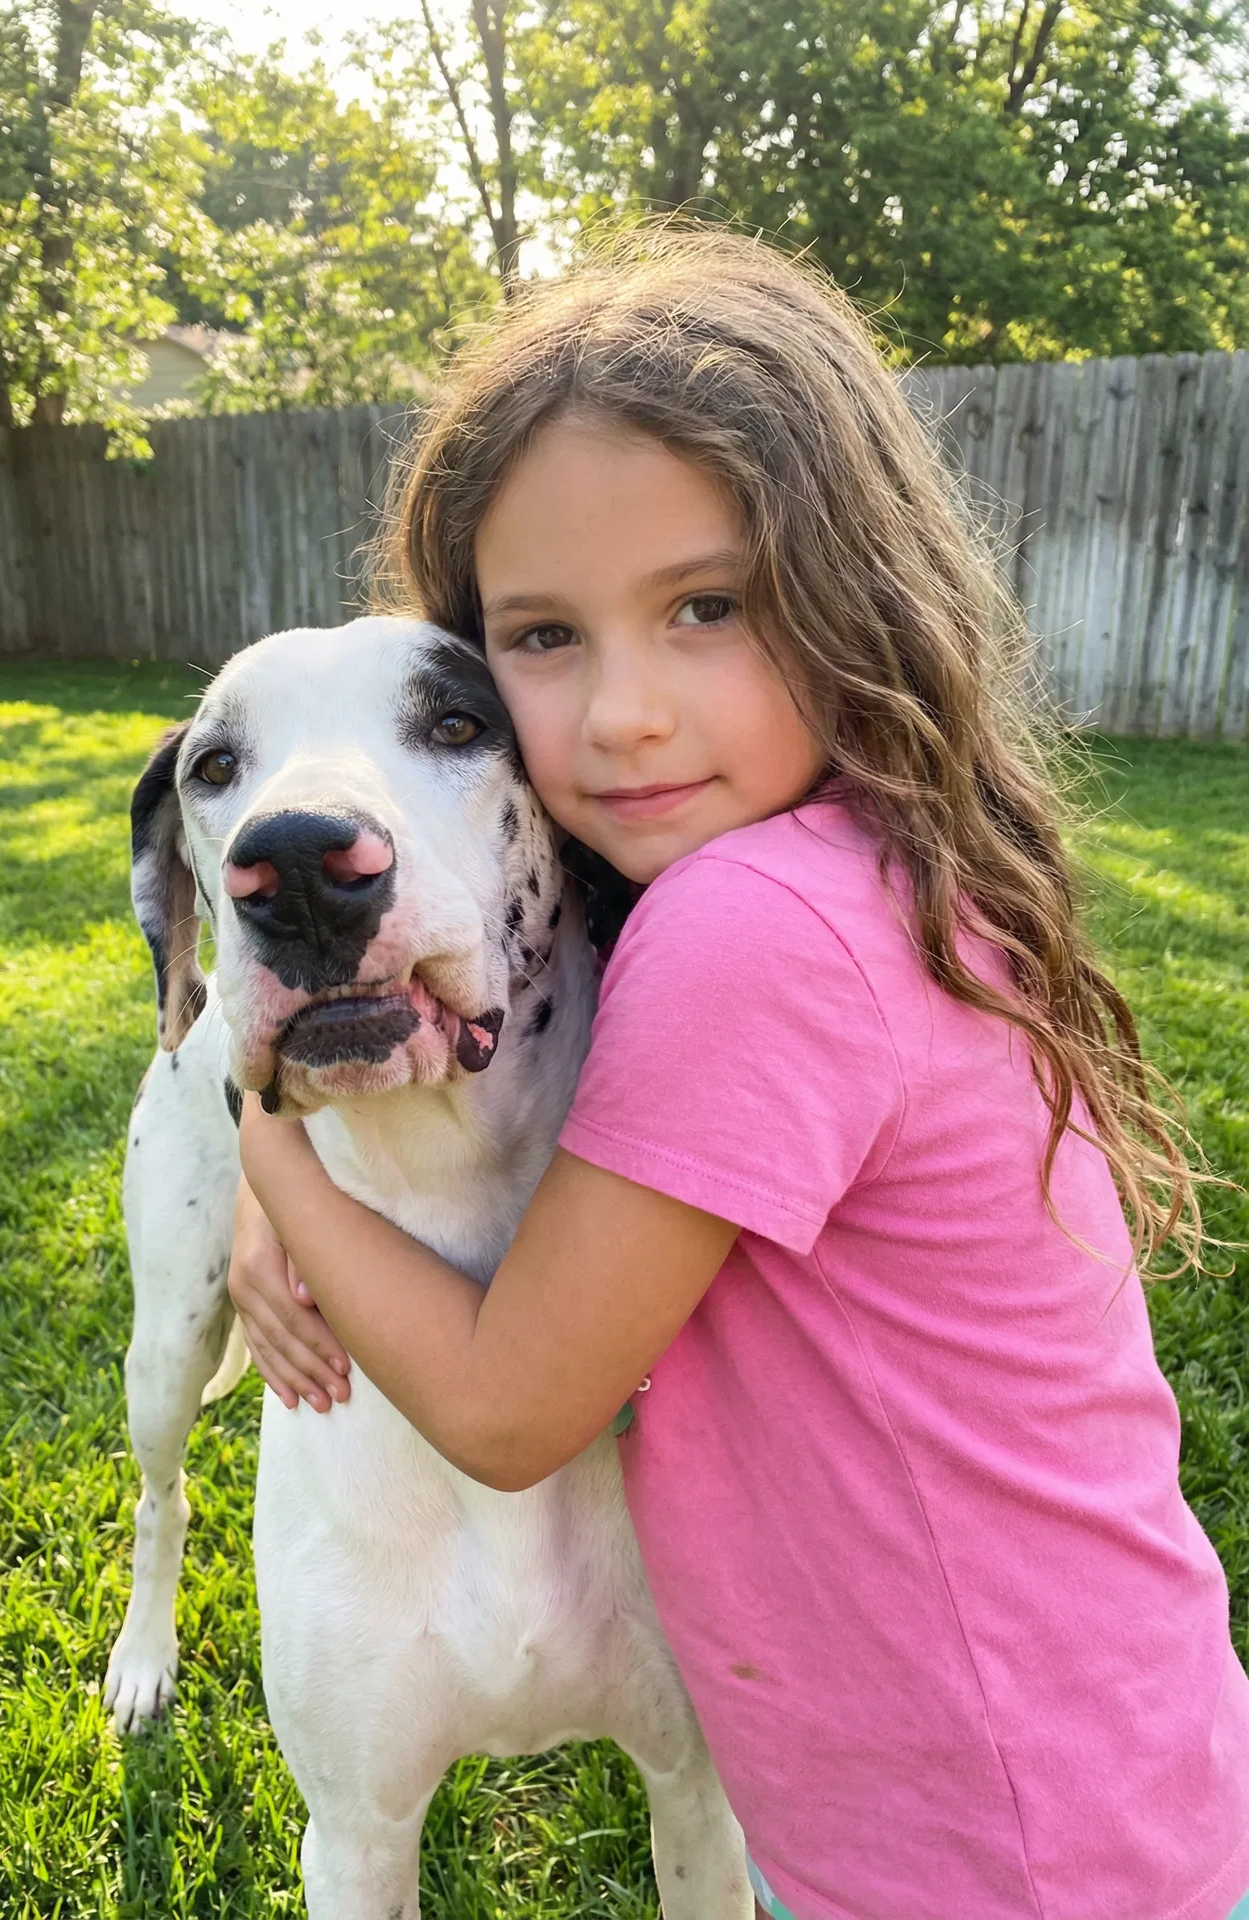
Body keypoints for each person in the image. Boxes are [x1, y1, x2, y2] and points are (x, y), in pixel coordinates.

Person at [227, 227, 1249, 1920]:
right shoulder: (882, 868)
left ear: (857, 593)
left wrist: (267, 1155)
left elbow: (503, 1405)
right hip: (1106, 1772)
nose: (623, 713)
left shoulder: (753, 933)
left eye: (706, 607)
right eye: (541, 638)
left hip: (987, 1852)